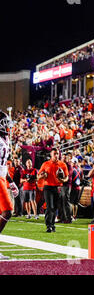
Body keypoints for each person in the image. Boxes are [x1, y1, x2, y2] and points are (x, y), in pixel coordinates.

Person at [37, 148, 69, 233]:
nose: (56, 155)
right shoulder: (45, 164)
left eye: (57, 153)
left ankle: (52, 225)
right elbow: (38, 176)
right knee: (49, 206)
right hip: (48, 187)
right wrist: (42, 176)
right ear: (51, 154)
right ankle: (48, 225)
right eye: (54, 153)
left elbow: (66, 177)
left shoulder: (62, 164)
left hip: (58, 187)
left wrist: (62, 180)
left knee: (55, 207)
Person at [0, 111, 16, 259]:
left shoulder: (4, 139)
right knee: (7, 211)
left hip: (2, 178)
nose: (7, 126)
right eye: (4, 123)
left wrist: (11, 182)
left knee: (4, 212)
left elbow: (3, 165)